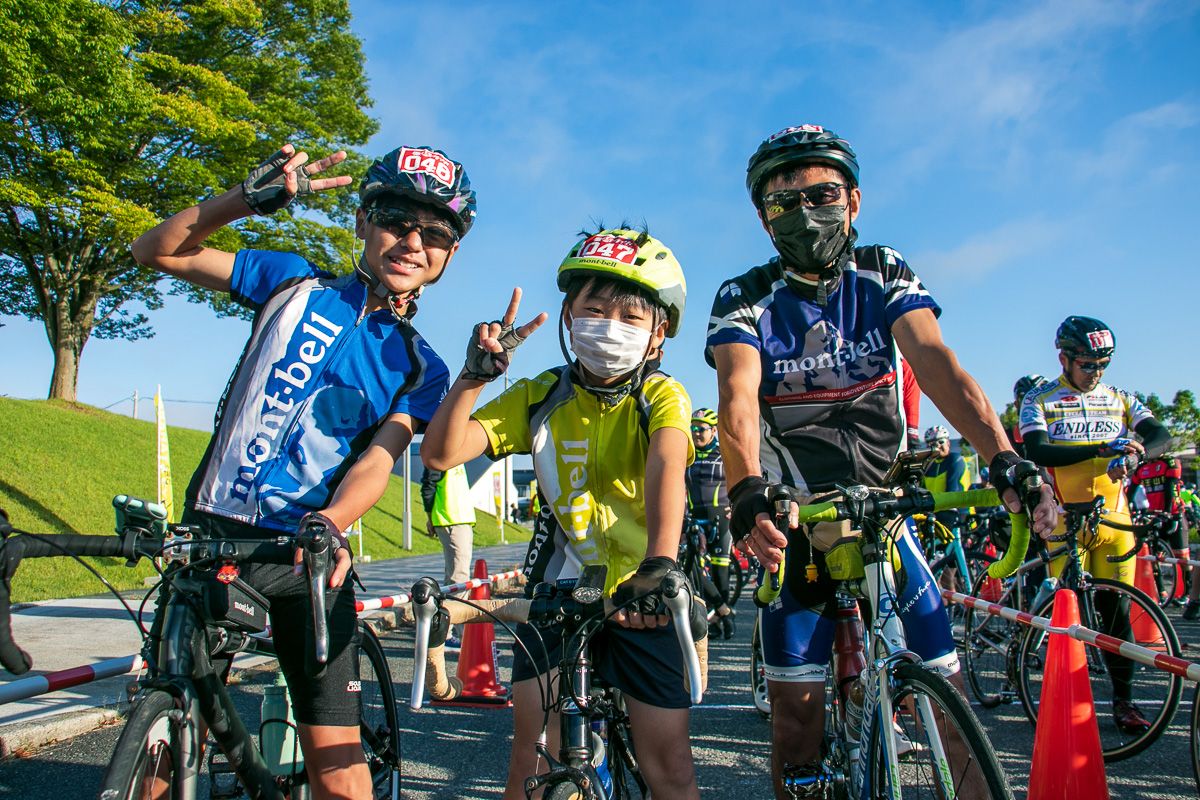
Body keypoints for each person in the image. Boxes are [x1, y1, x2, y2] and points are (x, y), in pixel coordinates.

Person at [706, 124, 1056, 798]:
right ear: (762, 217)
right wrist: (747, 488)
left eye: (823, 194)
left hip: (882, 511)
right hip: (797, 514)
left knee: (949, 697)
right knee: (795, 724)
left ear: (855, 200)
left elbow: (937, 364)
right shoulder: (743, 295)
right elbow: (737, 398)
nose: (806, 213)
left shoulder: (882, 270)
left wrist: (1005, 458)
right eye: (785, 203)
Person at [131, 142, 474, 797]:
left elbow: (379, 461)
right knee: (164, 746)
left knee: (341, 775)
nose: (411, 241)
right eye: (395, 219)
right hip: (214, 535)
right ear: (361, 222)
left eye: (434, 233)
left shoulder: (422, 366)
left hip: (307, 557)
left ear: (449, 255)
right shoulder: (292, 281)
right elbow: (156, 250)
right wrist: (242, 200)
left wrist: (330, 522)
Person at [420, 227, 701, 800]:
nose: (609, 325)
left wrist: (660, 565)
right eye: (593, 309)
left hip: (644, 594)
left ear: (658, 335)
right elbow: (441, 452)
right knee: (533, 754)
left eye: (629, 316)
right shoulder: (540, 393)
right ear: (568, 319)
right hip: (557, 591)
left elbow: (668, 464)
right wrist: (474, 376)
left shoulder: (663, 395)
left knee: (668, 767)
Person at [1020, 315, 1173, 733]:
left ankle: (1124, 702)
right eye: (1088, 364)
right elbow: (1039, 451)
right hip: (1064, 521)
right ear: (1064, 359)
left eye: (1103, 364)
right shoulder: (1040, 398)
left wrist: (1138, 452)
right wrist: (1103, 447)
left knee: (1116, 614)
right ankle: (1066, 702)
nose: (1096, 373)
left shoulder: (1121, 397)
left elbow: (1163, 437)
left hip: (1115, 523)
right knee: (1067, 617)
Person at [686, 407, 736, 638]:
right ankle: (724, 613)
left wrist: (736, 505)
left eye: (701, 429)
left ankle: (717, 620)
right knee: (695, 569)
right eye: (693, 428)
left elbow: (744, 479)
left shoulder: (725, 453)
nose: (696, 433)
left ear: (714, 430)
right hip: (695, 518)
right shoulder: (687, 454)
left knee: (720, 570)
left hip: (721, 520)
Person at [420, 464, 478, 647]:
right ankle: (460, 637)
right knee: (458, 581)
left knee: (455, 579)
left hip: (459, 521)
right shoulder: (442, 456)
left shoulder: (457, 456)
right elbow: (428, 486)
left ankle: (447, 632)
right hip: (451, 520)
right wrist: (430, 518)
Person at [922, 425, 971, 590]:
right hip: (933, 512)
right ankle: (945, 599)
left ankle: (951, 594)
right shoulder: (926, 465)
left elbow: (952, 488)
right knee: (932, 556)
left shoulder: (954, 459)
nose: (937, 446)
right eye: (932, 443)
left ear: (948, 443)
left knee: (948, 560)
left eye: (941, 442)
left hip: (955, 511)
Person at [1007, 375, 1045, 458]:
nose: (1034, 406)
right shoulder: (1006, 439)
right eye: (1026, 401)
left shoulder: (1061, 435)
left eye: (1040, 400)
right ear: (1017, 405)